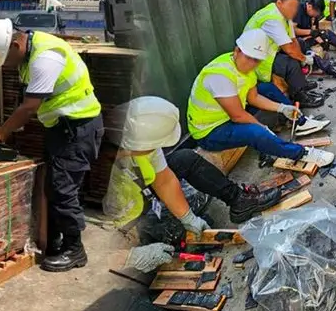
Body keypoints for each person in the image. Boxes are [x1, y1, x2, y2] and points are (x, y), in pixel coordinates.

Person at [0, 18, 104, 272]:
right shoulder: (31, 52)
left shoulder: (46, 58)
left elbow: (30, 107)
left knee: (63, 189)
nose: (7, 66)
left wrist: (0, 133)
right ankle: (55, 239)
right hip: (63, 127)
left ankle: (75, 250)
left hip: (77, 129)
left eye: (6, 59)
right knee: (53, 185)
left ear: (16, 44)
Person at [106, 97, 283, 273]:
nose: (156, 149)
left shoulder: (142, 144)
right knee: (166, 232)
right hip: (117, 227)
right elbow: (84, 252)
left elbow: (165, 180)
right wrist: (128, 256)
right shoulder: (85, 170)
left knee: (184, 159)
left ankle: (239, 200)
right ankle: (160, 245)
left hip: (138, 196)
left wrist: (188, 218)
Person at [187, 29, 335, 165]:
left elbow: (254, 97)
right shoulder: (219, 75)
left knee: (267, 88)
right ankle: (301, 153)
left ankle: (300, 122)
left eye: (256, 60)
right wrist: (264, 129)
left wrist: (282, 108)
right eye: (249, 57)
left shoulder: (247, 70)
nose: (252, 63)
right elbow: (238, 116)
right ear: (237, 50)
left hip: (227, 116)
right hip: (210, 131)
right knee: (255, 133)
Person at [242, 0, 324, 108]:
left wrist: (302, 56)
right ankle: (299, 97)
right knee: (290, 63)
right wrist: (304, 59)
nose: (293, 10)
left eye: (295, 7)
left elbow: (293, 40)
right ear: (279, 3)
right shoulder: (272, 19)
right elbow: (289, 49)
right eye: (290, 6)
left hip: (270, 51)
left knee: (300, 44)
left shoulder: (285, 17)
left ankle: (300, 83)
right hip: (257, 59)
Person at [292, 0, 336, 83]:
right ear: (309, 7)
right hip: (298, 40)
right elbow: (293, 30)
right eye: (315, 13)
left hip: (308, 36)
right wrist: (310, 32)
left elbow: (315, 30)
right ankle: (333, 72)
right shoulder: (299, 10)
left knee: (326, 33)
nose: (316, 16)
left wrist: (319, 37)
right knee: (309, 51)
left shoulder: (313, 13)